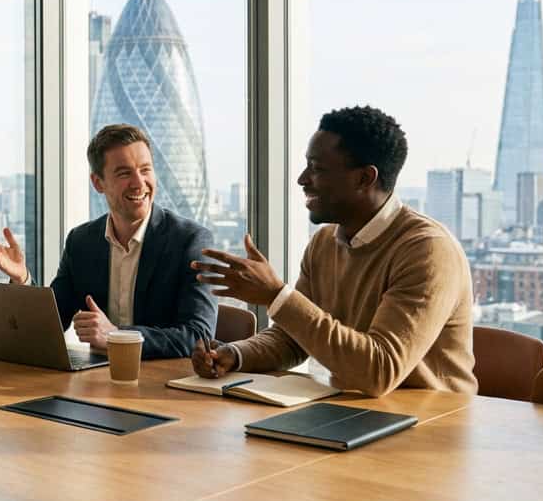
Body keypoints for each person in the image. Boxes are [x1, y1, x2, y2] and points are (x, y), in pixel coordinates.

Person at [191, 105, 477, 397]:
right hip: (352, 414)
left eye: (317, 169)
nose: (302, 179)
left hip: (431, 427)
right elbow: (294, 338)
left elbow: (378, 372)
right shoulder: (324, 242)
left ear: (364, 179)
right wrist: (234, 355)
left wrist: (277, 296)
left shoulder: (427, 251)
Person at [0, 123, 216, 359]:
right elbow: (51, 323)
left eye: (145, 170)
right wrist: (22, 280)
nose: (138, 182)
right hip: (96, 383)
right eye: (124, 173)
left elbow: (199, 336)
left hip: (161, 388)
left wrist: (116, 336)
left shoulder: (190, 241)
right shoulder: (81, 242)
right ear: (98, 183)